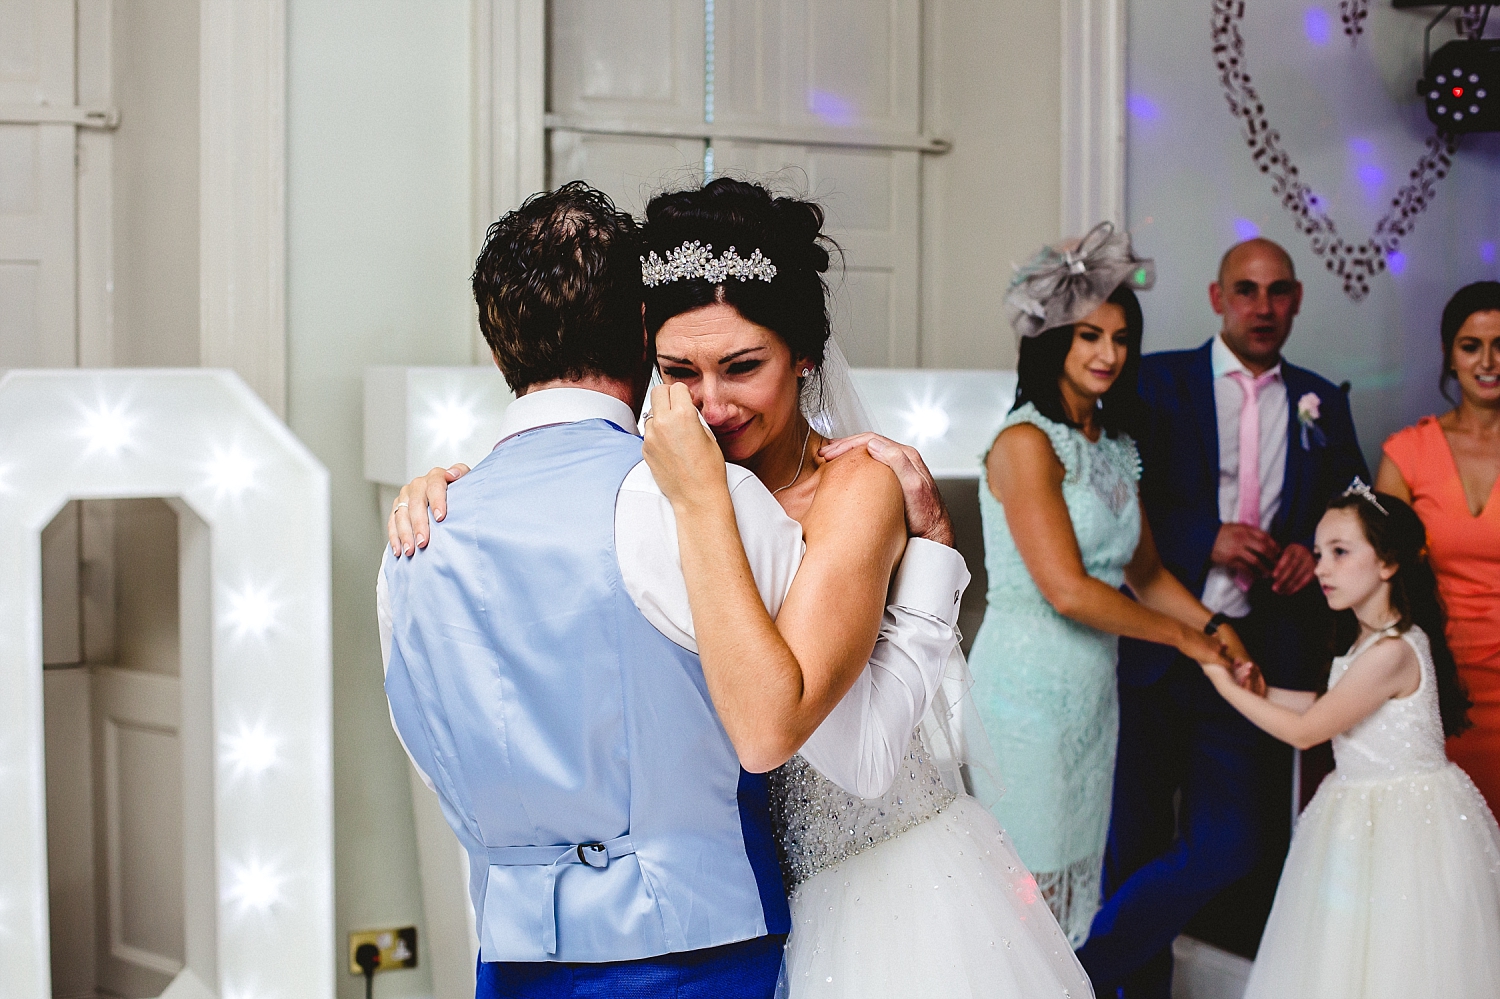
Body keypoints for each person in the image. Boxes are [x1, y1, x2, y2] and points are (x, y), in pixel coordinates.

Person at [393, 178, 1093, 998]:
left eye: (742, 366)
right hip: (751, 912)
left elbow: (856, 757)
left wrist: (935, 551)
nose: (713, 403)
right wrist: (463, 490)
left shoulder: (850, 489)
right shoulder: (665, 501)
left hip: (884, 894)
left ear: (802, 356)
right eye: (679, 371)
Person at [1077, 238, 1370, 996]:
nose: (1262, 307)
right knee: (1135, 842)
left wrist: (1315, 549)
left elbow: (1354, 504)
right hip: (1152, 650)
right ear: (1216, 297)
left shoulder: (1320, 400)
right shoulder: (1152, 379)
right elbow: (1110, 502)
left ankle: (1076, 972)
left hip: (1258, 658)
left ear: (1298, 299)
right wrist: (1205, 537)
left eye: (1277, 293)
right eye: (1246, 290)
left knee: (1236, 843)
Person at [967, 223, 1253, 947]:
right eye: (1089, 335)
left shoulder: (1115, 446)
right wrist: (1188, 640)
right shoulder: (1025, 443)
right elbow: (1066, 588)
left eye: (1121, 338)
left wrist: (1218, 634)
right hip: (1026, 690)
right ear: (1051, 341)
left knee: (1079, 873)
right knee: (1024, 879)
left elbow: (1148, 573)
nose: (1109, 354)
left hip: (1093, 691)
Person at [1200, 482, 1500, 998]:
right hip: (1358, 814)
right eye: (1319, 554)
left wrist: (1222, 683)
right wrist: (1264, 689)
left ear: (1388, 564)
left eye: (1340, 553)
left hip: (1406, 823)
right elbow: (1326, 702)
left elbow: (1306, 730)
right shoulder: (1366, 641)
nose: (1321, 568)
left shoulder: (1394, 651)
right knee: (1344, 954)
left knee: (1396, 957)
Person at [1377, 280, 1500, 814]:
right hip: (1435, 682)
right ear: (1450, 356)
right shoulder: (1407, 451)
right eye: (1471, 346)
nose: (1488, 360)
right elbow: (1378, 581)